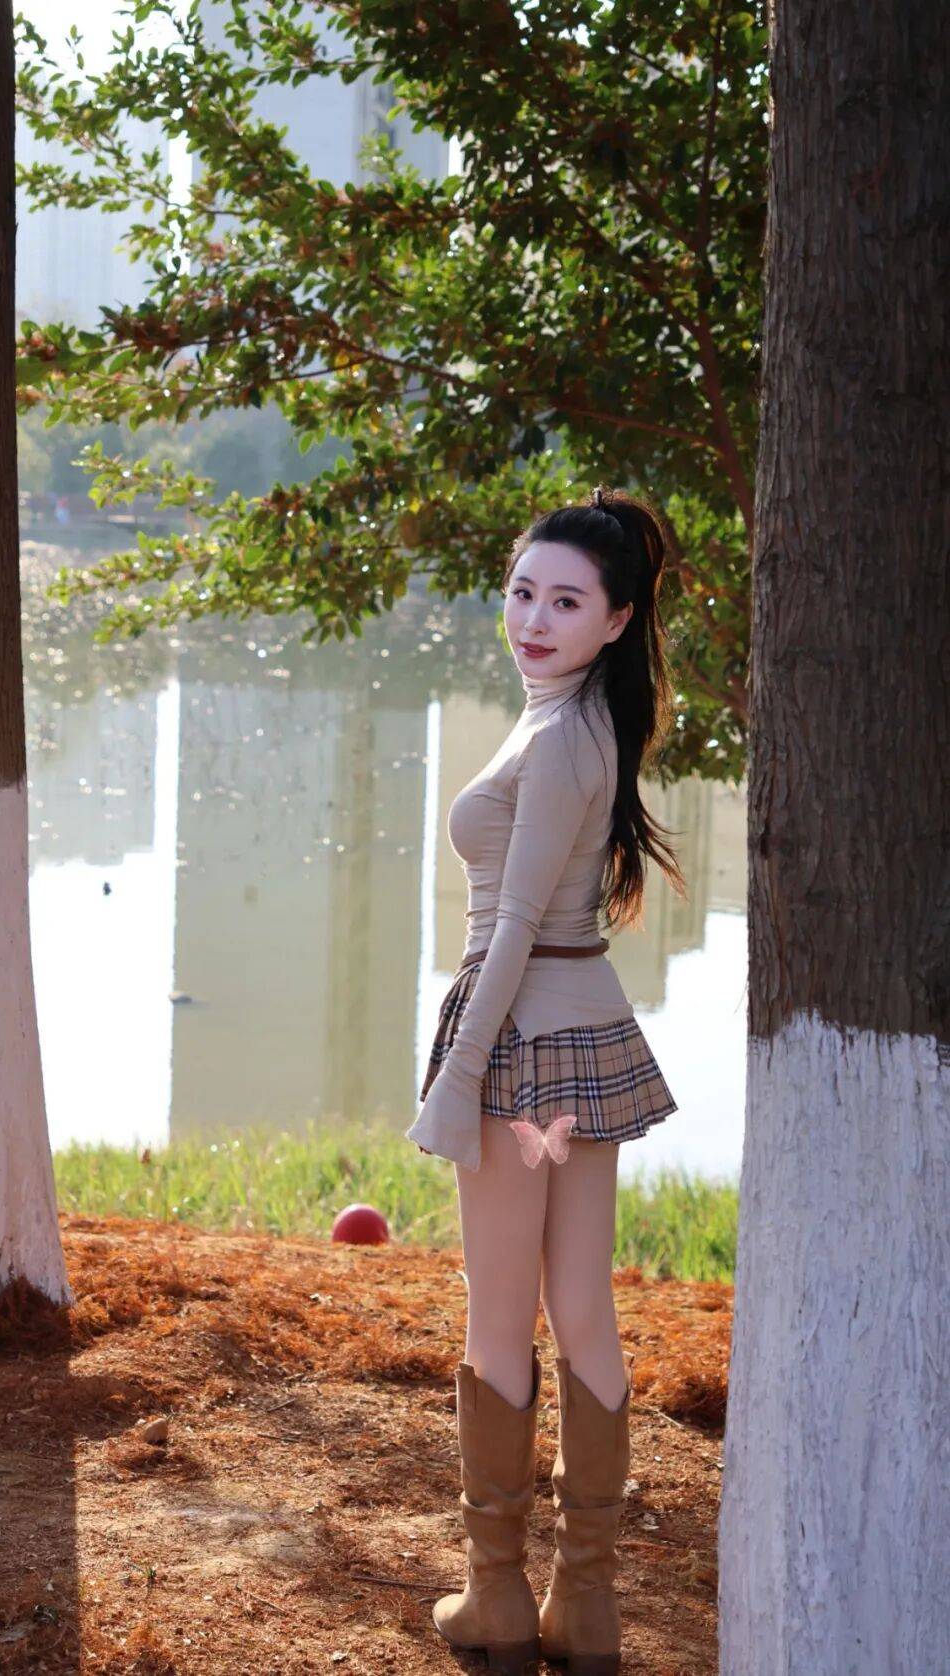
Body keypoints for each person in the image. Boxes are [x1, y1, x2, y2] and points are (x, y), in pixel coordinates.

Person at [405, 486, 686, 1675]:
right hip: (581, 1039)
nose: (533, 618)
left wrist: (456, 1076)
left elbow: (514, 924)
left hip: (524, 1050)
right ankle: (586, 1606)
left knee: (500, 1311)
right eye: (523, 591)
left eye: (566, 601)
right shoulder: (578, 723)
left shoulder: (564, 735)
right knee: (580, 1307)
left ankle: (500, 1596)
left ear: (617, 619)